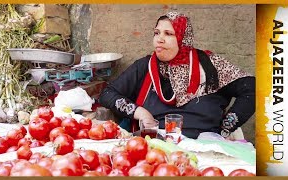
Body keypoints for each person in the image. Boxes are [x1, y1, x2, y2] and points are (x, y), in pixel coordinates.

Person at [98, 11, 255, 139]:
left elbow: (252, 89)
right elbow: (107, 94)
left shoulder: (210, 65)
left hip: (207, 146)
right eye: (156, 33)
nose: (159, 39)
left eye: (168, 34)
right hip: (158, 144)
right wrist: (141, 113)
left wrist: (226, 128)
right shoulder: (146, 67)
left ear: (183, 39)